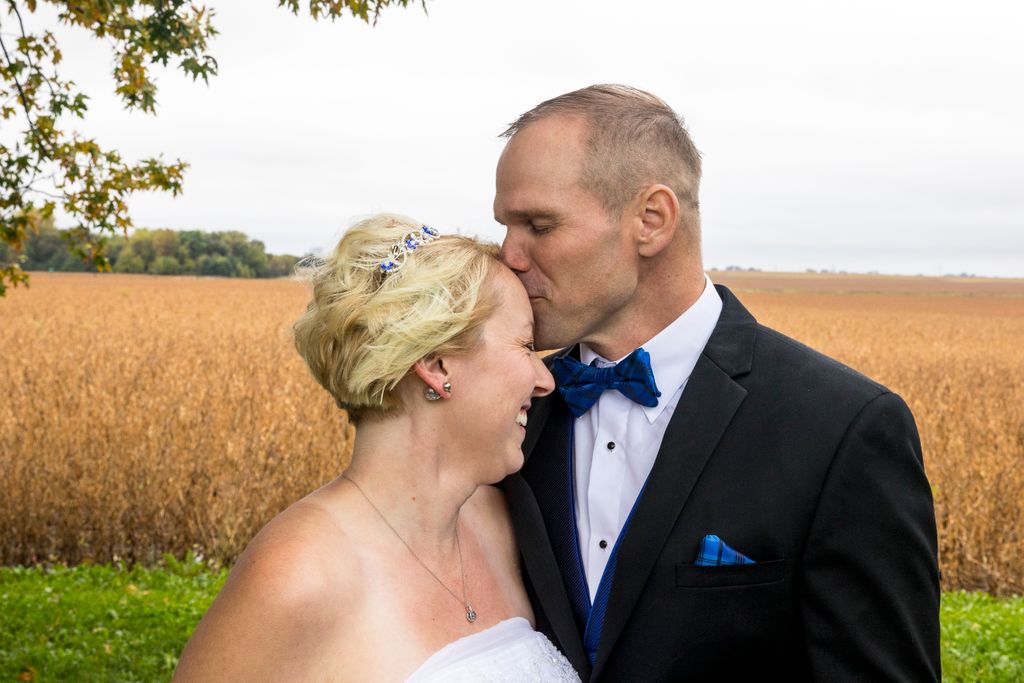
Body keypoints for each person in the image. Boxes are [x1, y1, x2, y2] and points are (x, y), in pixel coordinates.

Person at [493, 85, 941, 681]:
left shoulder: (842, 428)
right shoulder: (502, 415)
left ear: (652, 221)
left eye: (537, 225)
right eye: (505, 226)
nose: (508, 256)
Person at [173, 214, 580, 681]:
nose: (545, 379)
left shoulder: (499, 525)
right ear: (436, 363)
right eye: (526, 345)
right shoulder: (299, 572)